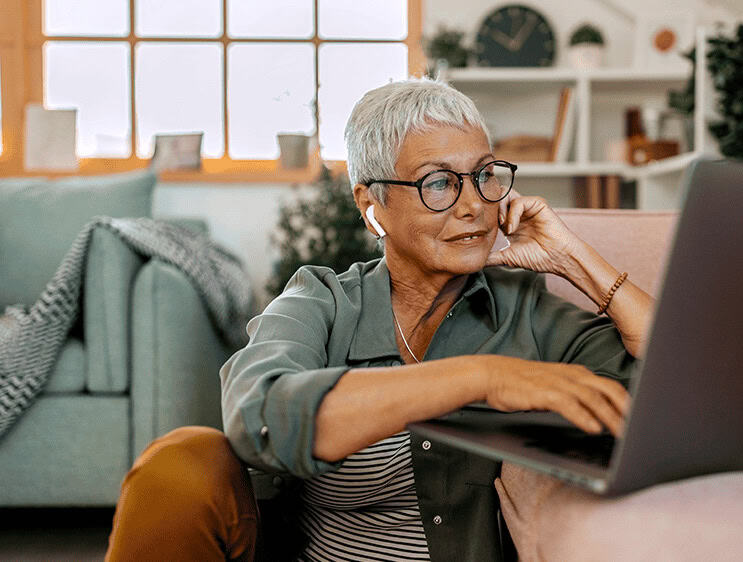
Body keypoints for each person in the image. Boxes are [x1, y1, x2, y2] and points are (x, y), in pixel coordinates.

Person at [105, 77, 653, 561]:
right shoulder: (321, 301)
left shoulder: (525, 309)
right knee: (181, 461)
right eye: (438, 182)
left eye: (484, 176)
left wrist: (575, 260)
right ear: (371, 205)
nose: (474, 206)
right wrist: (482, 377)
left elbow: (677, 391)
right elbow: (261, 416)